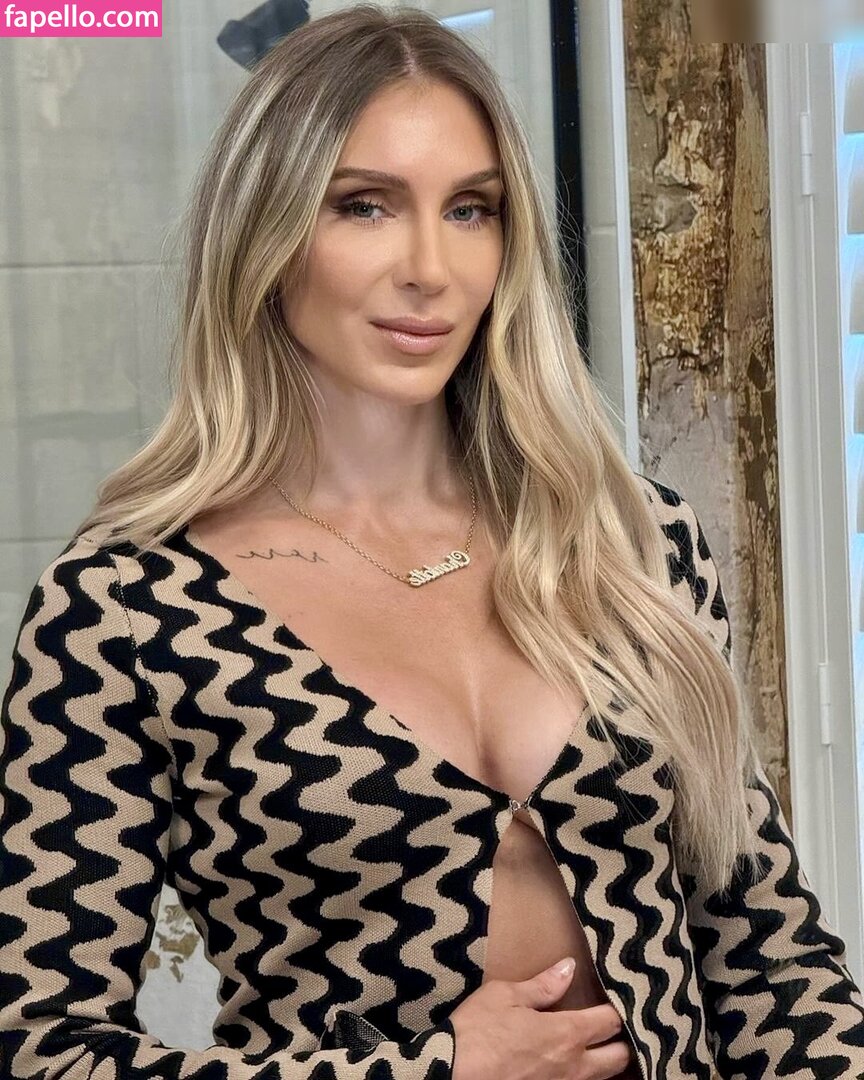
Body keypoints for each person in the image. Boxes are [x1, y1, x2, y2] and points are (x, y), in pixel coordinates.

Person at [1, 5, 862, 1079]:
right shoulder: (124, 612)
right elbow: (41, 1049)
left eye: (470, 210)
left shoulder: (627, 542)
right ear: (265, 229)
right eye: (364, 205)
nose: (430, 268)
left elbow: (771, 959)